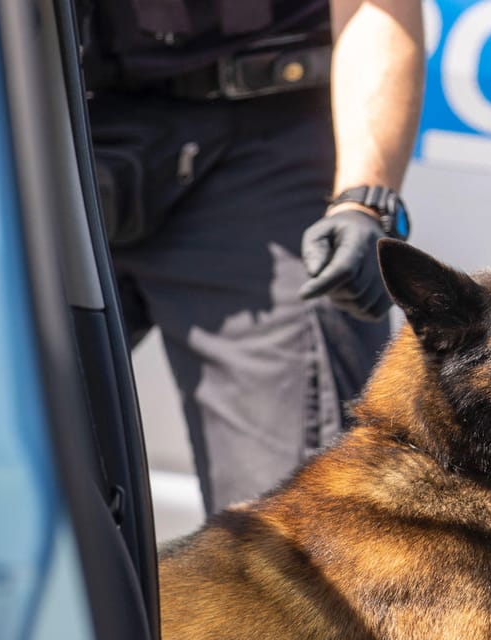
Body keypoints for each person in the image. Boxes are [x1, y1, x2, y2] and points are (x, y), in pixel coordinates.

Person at [78, 0, 425, 515]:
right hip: (43, 111)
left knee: (294, 526)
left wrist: (362, 202)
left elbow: (376, 9)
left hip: (262, 139)